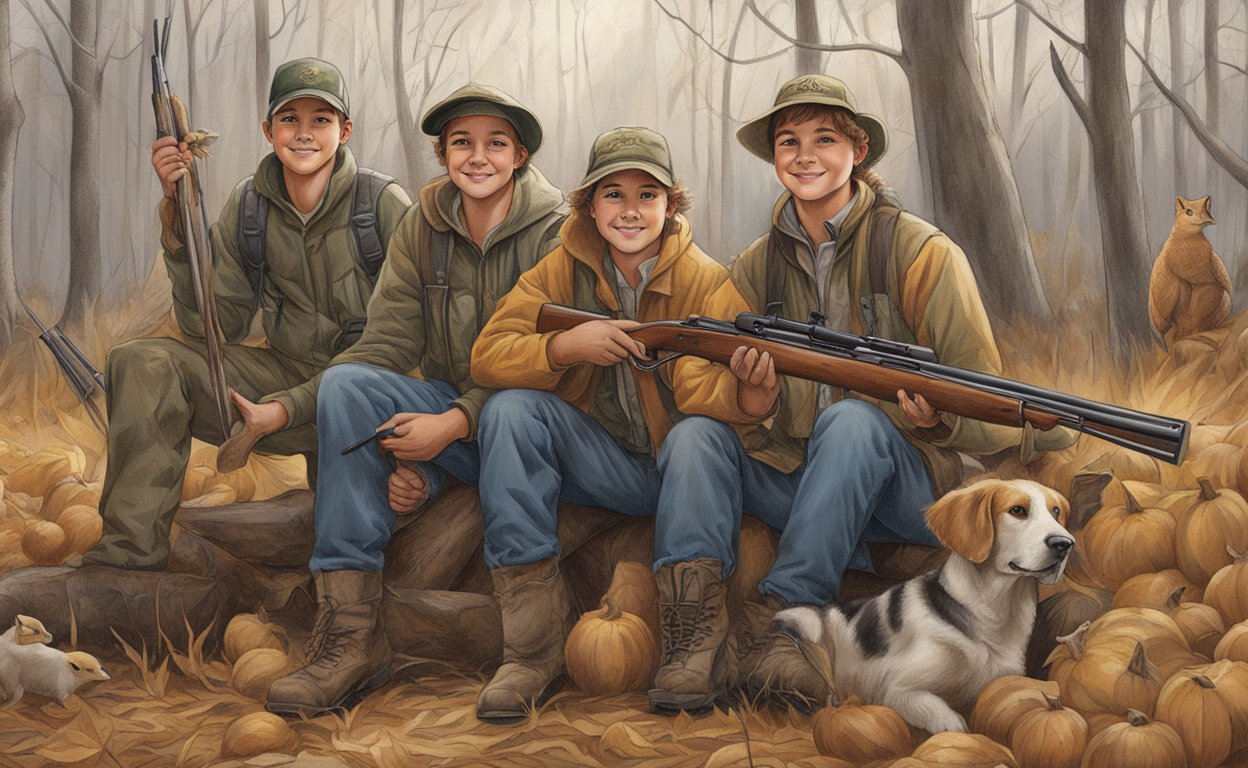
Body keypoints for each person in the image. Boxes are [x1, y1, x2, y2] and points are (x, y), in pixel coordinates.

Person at [703, 73, 1075, 705]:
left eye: (824, 138)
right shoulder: (752, 267)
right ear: (775, 161)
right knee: (699, 438)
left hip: (910, 489)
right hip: (803, 483)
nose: (805, 156)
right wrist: (745, 401)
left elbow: (990, 400)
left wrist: (938, 422)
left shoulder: (921, 252)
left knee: (852, 424)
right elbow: (715, 391)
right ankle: (699, 641)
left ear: (860, 153)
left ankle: (788, 626)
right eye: (788, 142)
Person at [263, 84, 566, 717]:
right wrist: (298, 404)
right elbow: (385, 342)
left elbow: (554, 365)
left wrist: (453, 424)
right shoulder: (422, 227)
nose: (477, 157)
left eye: (495, 143)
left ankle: (532, 652)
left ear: (522, 155)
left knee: (510, 412)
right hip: (457, 420)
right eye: (462, 143)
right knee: (350, 384)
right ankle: (351, 635)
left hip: (537, 424)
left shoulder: (560, 233)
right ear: (442, 153)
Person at [469, 127, 773, 719]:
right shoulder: (559, 270)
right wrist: (565, 348)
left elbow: (710, 394)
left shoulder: (708, 281)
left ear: (670, 205)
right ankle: (531, 650)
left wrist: (747, 395)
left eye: (648, 195)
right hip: (602, 464)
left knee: (694, 434)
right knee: (507, 410)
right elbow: (489, 354)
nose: (631, 211)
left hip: (687, 473)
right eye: (613, 194)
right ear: (588, 205)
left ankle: (695, 649)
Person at [79, 58, 411, 570]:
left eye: (320, 120)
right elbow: (214, 325)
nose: (303, 134)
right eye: (289, 119)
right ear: (268, 130)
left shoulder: (383, 206)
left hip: (367, 401)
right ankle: (128, 560)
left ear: (344, 131)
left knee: (362, 546)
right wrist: (179, 215)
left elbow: (410, 336)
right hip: (279, 383)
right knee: (141, 361)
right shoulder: (250, 205)